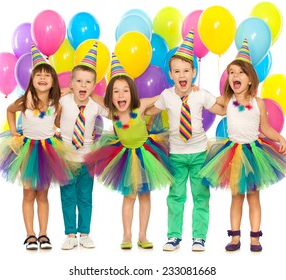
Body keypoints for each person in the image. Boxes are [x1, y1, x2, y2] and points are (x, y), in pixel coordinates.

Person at [198, 38, 286, 252]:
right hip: (232, 153)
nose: (235, 76)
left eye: (240, 73)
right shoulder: (227, 101)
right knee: (236, 197)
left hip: (253, 153)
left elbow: (266, 128)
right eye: (232, 72)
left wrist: (281, 138)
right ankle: (235, 237)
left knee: (253, 196)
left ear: (251, 80)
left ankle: (255, 237)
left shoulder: (258, 103)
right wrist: (200, 96)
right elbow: (211, 106)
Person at [0, 43, 77, 250]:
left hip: (48, 151)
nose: (43, 78)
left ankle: (44, 234)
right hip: (28, 150)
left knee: (43, 194)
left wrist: (57, 128)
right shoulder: (25, 100)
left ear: (53, 81)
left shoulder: (57, 102)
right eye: (39, 75)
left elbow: (56, 121)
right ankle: (30, 234)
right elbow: (9, 110)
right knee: (29, 193)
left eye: (48, 75)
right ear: (32, 80)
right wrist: (13, 131)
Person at [84, 52, 173, 250]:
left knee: (145, 195)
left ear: (132, 92)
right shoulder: (113, 111)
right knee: (129, 196)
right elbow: (93, 96)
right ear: (110, 96)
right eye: (116, 91)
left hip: (146, 154)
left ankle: (143, 234)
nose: (121, 95)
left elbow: (162, 96)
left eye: (125, 90)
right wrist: (77, 89)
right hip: (124, 156)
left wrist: (181, 90)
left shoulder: (139, 106)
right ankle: (126, 235)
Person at [145, 30, 225, 252]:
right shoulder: (167, 96)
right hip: (177, 155)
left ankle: (199, 237)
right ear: (171, 74)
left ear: (193, 73)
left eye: (186, 70)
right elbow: (150, 110)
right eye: (177, 71)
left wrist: (231, 100)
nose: (182, 74)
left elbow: (220, 109)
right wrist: (139, 112)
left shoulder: (201, 95)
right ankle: (173, 236)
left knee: (201, 196)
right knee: (175, 196)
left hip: (200, 153)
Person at [55, 42, 108, 250]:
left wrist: (100, 98)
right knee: (67, 196)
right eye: (78, 81)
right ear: (71, 84)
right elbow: (47, 101)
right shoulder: (64, 100)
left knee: (85, 196)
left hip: (88, 158)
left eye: (88, 82)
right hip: (66, 157)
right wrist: (61, 91)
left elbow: (113, 114)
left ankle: (85, 233)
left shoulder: (95, 105)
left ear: (93, 86)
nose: (83, 85)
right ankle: (70, 234)